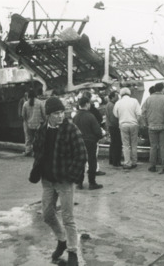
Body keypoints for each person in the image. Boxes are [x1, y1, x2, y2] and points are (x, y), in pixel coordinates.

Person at [28, 96, 87, 266]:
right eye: (56, 113)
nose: (61, 116)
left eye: (62, 112)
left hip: (64, 181)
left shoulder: (71, 129)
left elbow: (81, 155)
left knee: (68, 218)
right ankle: (62, 239)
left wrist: (71, 176)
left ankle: (72, 251)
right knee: (47, 214)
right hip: (47, 180)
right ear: (48, 115)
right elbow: (38, 151)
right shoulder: (42, 130)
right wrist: (37, 169)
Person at [73, 97, 104, 190]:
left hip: (78, 143)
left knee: (80, 162)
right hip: (90, 142)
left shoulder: (75, 117)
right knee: (92, 162)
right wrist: (99, 137)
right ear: (87, 104)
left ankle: (79, 183)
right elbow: (98, 131)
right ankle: (92, 183)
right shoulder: (90, 116)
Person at [141, 82, 164, 174]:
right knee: (163, 147)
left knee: (153, 147)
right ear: (163, 89)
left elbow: (142, 113)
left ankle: (152, 166)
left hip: (152, 126)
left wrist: (146, 123)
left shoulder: (148, 99)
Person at [113, 87, 141, 170]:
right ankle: (134, 162)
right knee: (134, 144)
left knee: (125, 145)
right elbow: (139, 114)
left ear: (121, 94)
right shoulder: (135, 101)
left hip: (123, 125)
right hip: (134, 124)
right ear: (129, 93)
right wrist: (136, 122)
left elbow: (115, 114)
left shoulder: (118, 102)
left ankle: (127, 163)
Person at [81, 91, 105, 176]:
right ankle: (95, 171)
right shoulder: (93, 111)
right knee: (93, 155)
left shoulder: (78, 113)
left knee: (83, 155)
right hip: (92, 137)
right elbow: (100, 120)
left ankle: (85, 171)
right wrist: (100, 135)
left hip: (82, 137)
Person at [22, 89, 45, 156]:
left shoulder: (25, 104)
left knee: (28, 138)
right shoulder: (40, 103)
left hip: (28, 124)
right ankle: (36, 152)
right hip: (38, 124)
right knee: (38, 139)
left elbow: (23, 115)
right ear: (36, 95)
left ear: (28, 95)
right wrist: (45, 121)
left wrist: (27, 121)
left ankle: (28, 151)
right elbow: (43, 114)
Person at [105, 91, 122, 167]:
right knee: (117, 144)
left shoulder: (109, 104)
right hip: (114, 127)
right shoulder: (112, 105)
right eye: (116, 96)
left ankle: (112, 160)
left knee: (113, 144)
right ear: (112, 97)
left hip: (111, 126)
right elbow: (113, 118)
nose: (118, 98)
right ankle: (116, 161)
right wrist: (119, 125)